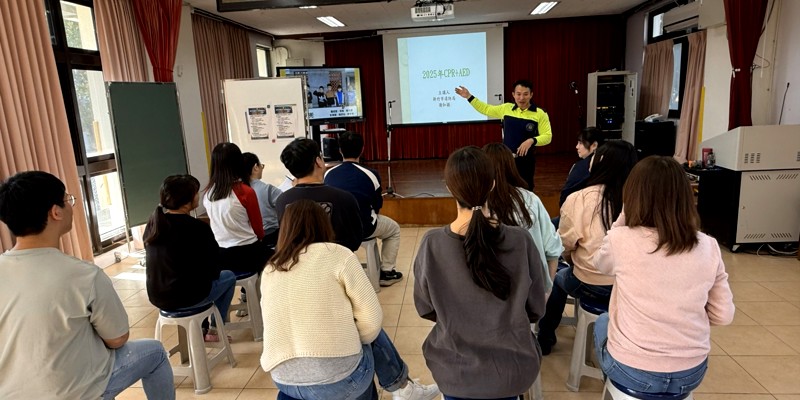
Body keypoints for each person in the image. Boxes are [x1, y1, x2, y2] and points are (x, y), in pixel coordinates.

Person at [0, 171, 174, 399]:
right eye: (67, 200)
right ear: (55, 212)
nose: (72, 205)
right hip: (74, 392)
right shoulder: (83, 275)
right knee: (156, 352)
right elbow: (118, 338)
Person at [260, 199, 440, 400]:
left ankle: (402, 387)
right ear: (323, 223)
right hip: (341, 382)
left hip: (284, 379)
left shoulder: (271, 267)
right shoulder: (338, 255)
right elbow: (372, 320)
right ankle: (402, 387)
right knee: (369, 332)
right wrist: (350, 338)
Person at [593, 156, 735, 394]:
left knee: (602, 322)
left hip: (634, 372)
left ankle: (614, 385)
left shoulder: (621, 239)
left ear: (633, 196)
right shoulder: (709, 246)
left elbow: (600, 264)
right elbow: (723, 315)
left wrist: (623, 219)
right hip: (690, 374)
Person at [413, 147, 546, 400]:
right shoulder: (520, 240)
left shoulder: (432, 244)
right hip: (513, 372)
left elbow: (425, 307)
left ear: (450, 189)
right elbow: (536, 308)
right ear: (494, 185)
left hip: (455, 374)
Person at [536, 140, 637, 355]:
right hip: (631, 287)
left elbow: (563, 246)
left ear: (599, 163)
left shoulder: (581, 198)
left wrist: (571, 259)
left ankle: (544, 338)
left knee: (556, 276)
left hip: (592, 282)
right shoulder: (638, 199)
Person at [144, 174, 236, 342]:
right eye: (196, 193)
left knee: (195, 279)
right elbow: (214, 267)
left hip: (158, 297)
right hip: (187, 297)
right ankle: (215, 330)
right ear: (187, 198)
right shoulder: (197, 228)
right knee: (228, 276)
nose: (198, 196)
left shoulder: (154, 225)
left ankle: (203, 327)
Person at [324, 131, 404, 286]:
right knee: (394, 229)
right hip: (364, 228)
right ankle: (387, 272)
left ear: (340, 150)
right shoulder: (370, 174)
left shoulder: (328, 174)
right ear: (362, 149)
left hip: (334, 229)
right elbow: (377, 205)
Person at [482, 142, 563, 291]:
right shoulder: (530, 199)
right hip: (531, 290)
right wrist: (546, 291)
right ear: (511, 165)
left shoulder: (478, 205)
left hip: (492, 294)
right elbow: (553, 250)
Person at [455, 80, 552, 190]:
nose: (521, 98)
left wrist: (532, 140)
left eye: (525, 94)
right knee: (504, 188)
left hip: (526, 160)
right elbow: (486, 109)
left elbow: (548, 136)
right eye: (518, 94)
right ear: (513, 94)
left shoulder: (540, 114)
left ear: (531, 95)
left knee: (526, 189)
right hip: (505, 159)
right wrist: (469, 97)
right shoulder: (506, 108)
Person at [276, 138, 363, 252]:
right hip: (335, 263)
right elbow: (355, 241)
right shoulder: (344, 198)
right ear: (318, 161)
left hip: (297, 265)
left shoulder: (282, 200)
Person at [203, 142, 272, 275]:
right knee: (281, 258)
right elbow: (259, 229)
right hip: (247, 253)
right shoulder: (245, 192)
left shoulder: (208, 193)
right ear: (238, 163)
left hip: (221, 254)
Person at [243, 152, 282, 247]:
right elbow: (286, 204)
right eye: (261, 166)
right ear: (255, 167)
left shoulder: (237, 190)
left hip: (247, 238)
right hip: (270, 236)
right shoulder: (268, 189)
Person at [560, 126, 606, 207]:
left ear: (594, 145)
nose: (577, 147)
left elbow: (564, 198)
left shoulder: (580, 166)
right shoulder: (608, 163)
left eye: (581, 143)